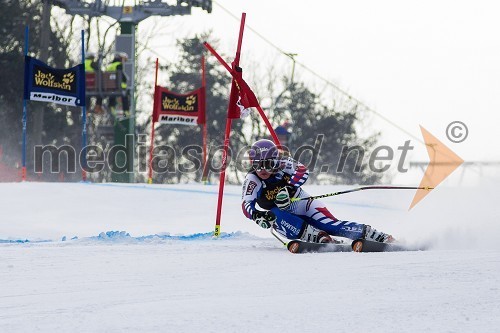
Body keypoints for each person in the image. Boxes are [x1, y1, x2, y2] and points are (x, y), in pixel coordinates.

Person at [241, 139, 394, 244]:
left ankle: (375, 235)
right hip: (285, 220)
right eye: (257, 165)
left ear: (276, 160)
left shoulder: (284, 163)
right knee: (274, 213)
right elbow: (246, 205)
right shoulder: (253, 179)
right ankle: (319, 237)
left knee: (331, 226)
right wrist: (256, 215)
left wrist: (289, 188)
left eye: (268, 164)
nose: (262, 170)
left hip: (304, 204)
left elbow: (303, 171)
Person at [106, 52, 130, 116]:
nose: (124, 62)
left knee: (113, 93)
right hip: (118, 85)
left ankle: (111, 106)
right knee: (125, 95)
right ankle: (126, 110)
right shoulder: (119, 65)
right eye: (124, 60)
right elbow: (120, 75)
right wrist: (125, 79)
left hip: (109, 85)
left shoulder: (110, 66)